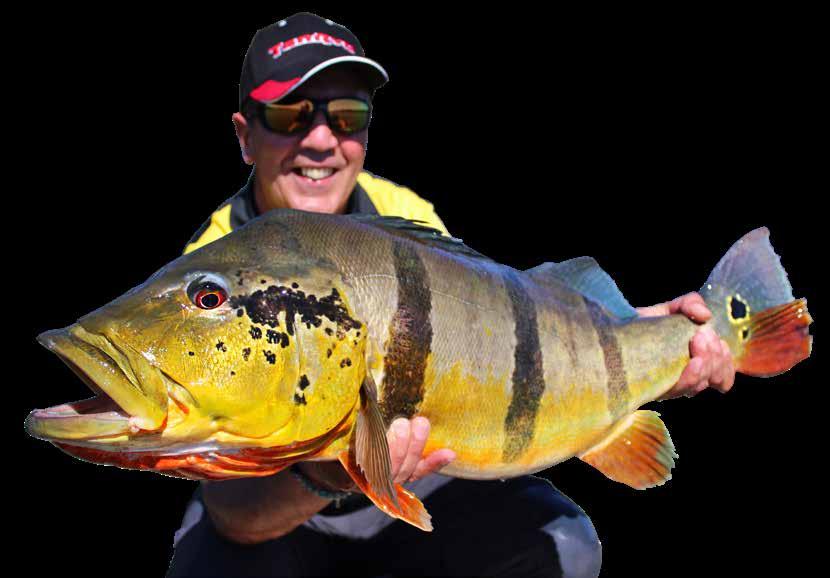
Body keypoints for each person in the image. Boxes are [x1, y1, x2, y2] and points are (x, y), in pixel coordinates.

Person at [167, 13, 735, 578]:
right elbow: (235, 513)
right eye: (288, 114)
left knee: (565, 546)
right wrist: (334, 471)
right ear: (245, 135)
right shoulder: (212, 263)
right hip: (282, 506)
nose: (320, 140)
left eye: (347, 115)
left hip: (418, 483)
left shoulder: (404, 219)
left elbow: (508, 332)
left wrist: (645, 329)